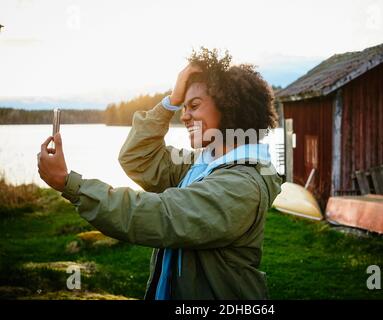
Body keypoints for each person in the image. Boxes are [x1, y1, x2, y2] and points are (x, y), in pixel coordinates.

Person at [37, 48, 282, 300]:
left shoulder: (240, 184)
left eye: (194, 106)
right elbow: (137, 157)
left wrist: (69, 184)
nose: (184, 116)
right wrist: (170, 102)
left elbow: (160, 215)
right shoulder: (200, 166)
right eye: (182, 108)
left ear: (231, 107)